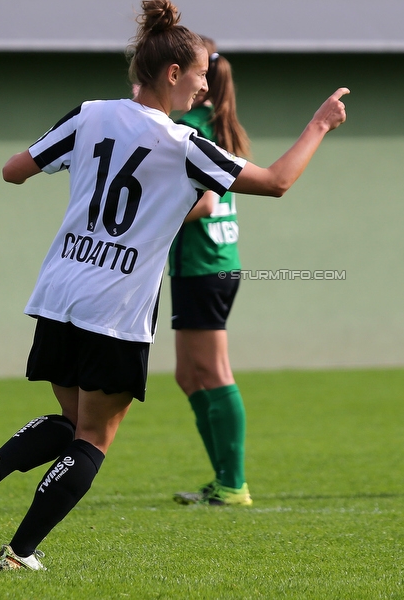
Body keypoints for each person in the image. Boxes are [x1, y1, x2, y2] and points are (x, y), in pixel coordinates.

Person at [0, 0, 349, 570]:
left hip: (60, 291)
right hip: (117, 306)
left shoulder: (88, 115)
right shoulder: (185, 145)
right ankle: (18, 553)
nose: (205, 90)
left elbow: (14, 171)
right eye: (202, 77)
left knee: (68, 422)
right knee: (93, 438)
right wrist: (319, 124)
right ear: (172, 73)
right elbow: (279, 181)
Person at [167, 38, 253, 507]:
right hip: (199, 266)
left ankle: (233, 484)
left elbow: (206, 202)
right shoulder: (213, 124)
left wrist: (152, 220)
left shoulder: (194, 126)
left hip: (205, 266)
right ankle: (222, 478)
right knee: (188, 374)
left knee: (214, 371)